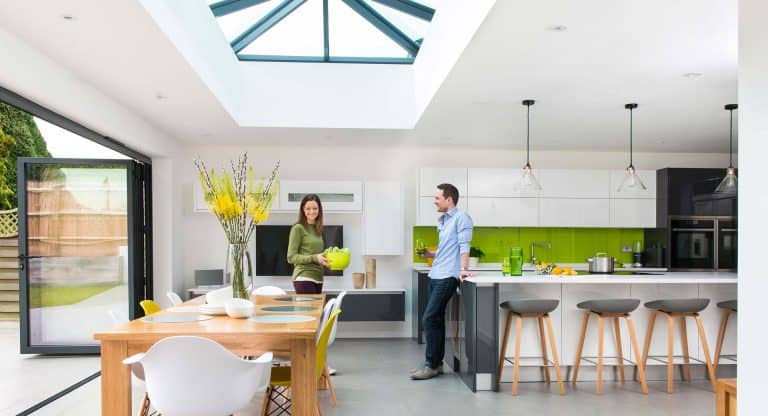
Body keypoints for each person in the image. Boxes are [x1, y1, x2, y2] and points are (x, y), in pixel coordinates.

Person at [411, 183, 474, 380]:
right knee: (436, 319)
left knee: (428, 319)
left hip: (448, 276)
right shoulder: (442, 221)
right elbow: (446, 248)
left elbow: (464, 245)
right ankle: (436, 364)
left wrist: (463, 270)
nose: (434, 201)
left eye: (437, 197)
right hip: (435, 274)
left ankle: (430, 364)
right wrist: (429, 253)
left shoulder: (461, 218)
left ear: (449, 199)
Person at [287, 194, 329, 294]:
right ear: (303, 210)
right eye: (308, 208)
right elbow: (291, 257)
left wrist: (326, 258)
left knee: (315, 310)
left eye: (315, 208)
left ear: (319, 210)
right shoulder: (298, 228)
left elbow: (314, 253)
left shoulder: (318, 229)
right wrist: (315, 258)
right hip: (304, 278)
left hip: (318, 278)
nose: (312, 211)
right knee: (309, 310)